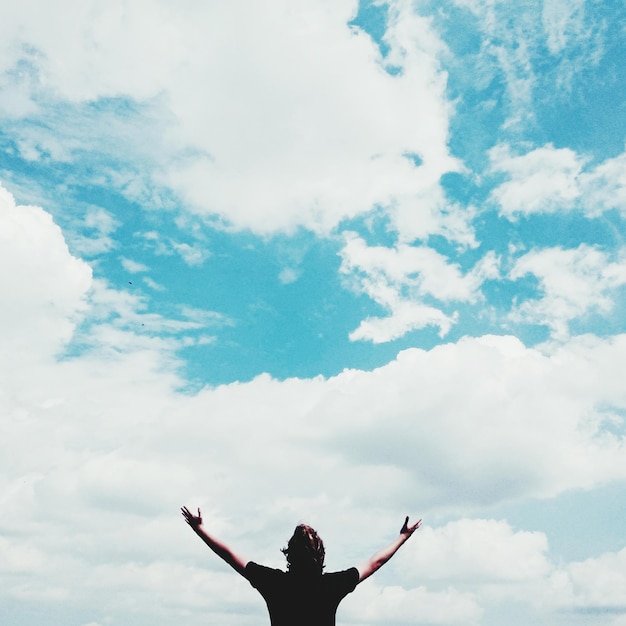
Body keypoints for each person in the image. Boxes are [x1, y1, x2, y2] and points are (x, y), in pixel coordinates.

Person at [181, 506, 421, 626]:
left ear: (289, 554)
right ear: (320, 554)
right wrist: (403, 537)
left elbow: (229, 555)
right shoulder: (332, 585)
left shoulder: (273, 582)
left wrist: (199, 529)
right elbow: (375, 562)